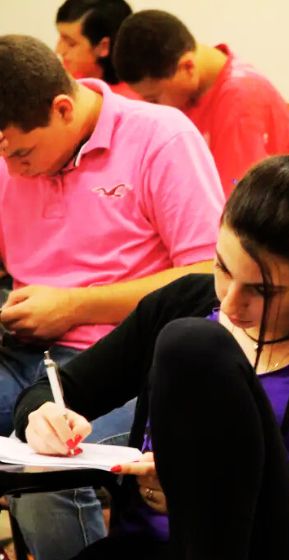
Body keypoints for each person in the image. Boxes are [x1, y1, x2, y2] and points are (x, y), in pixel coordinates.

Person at [15, 153, 289, 560]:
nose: (231, 305)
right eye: (222, 268)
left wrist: (209, 498)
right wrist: (41, 417)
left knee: (194, 345)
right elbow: (56, 388)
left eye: (262, 291)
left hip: (274, 550)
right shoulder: (183, 302)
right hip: (143, 547)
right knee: (190, 339)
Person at [0, 34, 224, 560]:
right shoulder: (12, 146)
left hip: (123, 362)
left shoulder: (160, 137)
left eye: (23, 153)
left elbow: (206, 277)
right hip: (21, 350)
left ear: (62, 108)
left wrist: (74, 305)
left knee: (46, 477)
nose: (12, 170)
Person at [113, 9, 289, 196]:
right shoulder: (190, 91)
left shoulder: (241, 98)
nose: (154, 108)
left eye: (153, 99)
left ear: (187, 67)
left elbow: (235, 202)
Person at [54, 0, 138, 98]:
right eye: (61, 38)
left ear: (103, 46)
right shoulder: (63, 81)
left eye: (71, 44)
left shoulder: (130, 101)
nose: (59, 50)